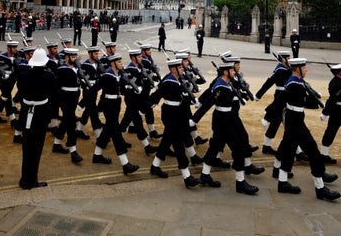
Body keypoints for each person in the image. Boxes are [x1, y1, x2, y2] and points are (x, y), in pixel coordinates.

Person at [275, 58, 341, 200]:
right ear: (297, 69)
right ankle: (320, 188)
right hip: (296, 121)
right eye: (304, 68)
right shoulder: (295, 84)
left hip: (295, 119)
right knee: (313, 151)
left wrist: (316, 102)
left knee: (288, 151)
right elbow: (290, 100)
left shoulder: (296, 82)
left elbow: (296, 100)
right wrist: (315, 104)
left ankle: (282, 182)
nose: (306, 70)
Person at [199, 60, 263, 194]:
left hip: (224, 119)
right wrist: (194, 119)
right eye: (232, 70)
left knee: (215, 147)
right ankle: (240, 183)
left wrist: (243, 95)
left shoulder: (226, 84)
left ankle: (205, 175)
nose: (234, 71)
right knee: (238, 150)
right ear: (225, 72)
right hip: (223, 121)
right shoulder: (220, 86)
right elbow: (209, 102)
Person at [149, 58, 201, 188]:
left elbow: (183, 97)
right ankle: (187, 176)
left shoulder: (179, 80)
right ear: (173, 69)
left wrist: (194, 101)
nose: (182, 69)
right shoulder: (168, 82)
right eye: (180, 67)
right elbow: (156, 96)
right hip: (170, 114)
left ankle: (155, 166)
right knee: (178, 146)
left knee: (167, 140)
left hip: (179, 113)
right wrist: (143, 108)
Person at [87, 54, 140, 175]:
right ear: (113, 64)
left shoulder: (119, 75)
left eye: (121, 62)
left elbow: (123, 90)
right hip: (108, 105)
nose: (121, 64)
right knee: (115, 133)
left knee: (107, 130)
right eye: (119, 62)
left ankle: (97, 155)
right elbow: (94, 88)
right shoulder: (107, 76)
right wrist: (82, 103)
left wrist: (136, 94)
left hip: (116, 104)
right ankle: (125, 163)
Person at [16, 49, 56, 189]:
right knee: (36, 148)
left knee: (27, 147)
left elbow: (20, 90)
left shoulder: (24, 75)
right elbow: (52, 93)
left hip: (26, 111)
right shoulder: (49, 77)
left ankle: (24, 178)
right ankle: (31, 181)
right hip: (40, 113)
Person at [255, 50, 292, 156]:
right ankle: (297, 151)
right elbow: (269, 82)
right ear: (283, 59)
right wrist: (258, 95)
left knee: (276, 122)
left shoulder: (285, 68)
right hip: (281, 95)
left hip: (284, 96)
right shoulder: (281, 69)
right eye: (288, 58)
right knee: (289, 123)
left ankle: (266, 146)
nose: (290, 59)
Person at [52, 48, 85, 163]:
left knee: (66, 120)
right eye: (72, 56)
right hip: (65, 98)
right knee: (71, 123)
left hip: (74, 97)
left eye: (75, 56)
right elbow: (56, 87)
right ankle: (73, 150)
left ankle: (56, 143)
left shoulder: (77, 68)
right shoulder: (61, 70)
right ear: (66, 57)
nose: (74, 58)